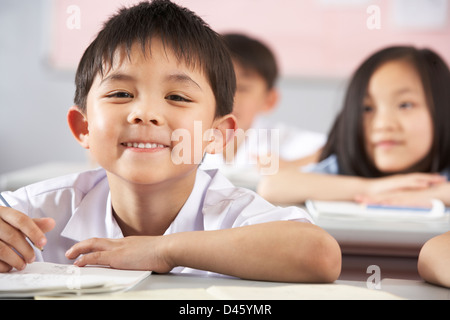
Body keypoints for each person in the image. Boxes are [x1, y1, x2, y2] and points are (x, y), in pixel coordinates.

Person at [0, 0, 341, 283]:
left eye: (177, 97)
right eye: (121, 93)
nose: (146, 113)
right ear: (82, 126)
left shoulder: (231, 214)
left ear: (217, 134)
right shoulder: (38, 213)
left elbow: (320, 254)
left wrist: (161, 249)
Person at [258, 46, 450, 207]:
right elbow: (271, 187)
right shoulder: (343, 170)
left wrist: (436, 194)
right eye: (367, 108)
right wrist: (371, 188)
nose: (383, 125)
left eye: (405, 105)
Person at [201, 33, 325, 183]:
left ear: (269, 100)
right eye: (219, 86)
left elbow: (335, 150)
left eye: (242, 88)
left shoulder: (279, 139)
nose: (228, 98)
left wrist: (291, 166)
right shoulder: (186, 135)